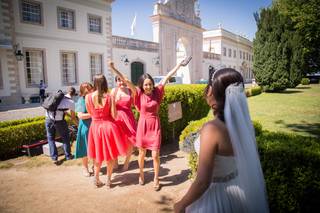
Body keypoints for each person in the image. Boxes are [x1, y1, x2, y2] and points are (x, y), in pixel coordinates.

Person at [174, 68, 269, 213]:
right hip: (238, 191)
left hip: (214, 197)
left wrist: (181, 204)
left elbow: (202, 182)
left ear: (212, 91)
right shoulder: (244, 125)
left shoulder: (211, 129)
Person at [108, 57, 191, 191]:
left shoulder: (158, 92)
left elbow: (168, 76)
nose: (148, 86)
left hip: (155, 126)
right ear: (142, 85)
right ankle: (141, 174)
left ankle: (156, 178)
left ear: (153, 84)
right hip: (143, 125)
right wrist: (113, 69)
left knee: (155, 155)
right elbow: (127, 81)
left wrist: (178, 65)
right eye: (146, 84)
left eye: (150, 84)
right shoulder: (138, 93)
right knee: (141, 154)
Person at [86, 74, 128, 188]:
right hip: (108, 127)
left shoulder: (88, 97)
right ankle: (109, 181)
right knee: (110, 155)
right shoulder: (109, 97)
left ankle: (96, 179)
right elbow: (114, 115)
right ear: (105, 83)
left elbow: (90, 113)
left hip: (95, 128)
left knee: (97, 154)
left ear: (94, 83)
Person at [45, 86, 78, 164]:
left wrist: (68, 115)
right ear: (73, 95)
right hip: (59, 121)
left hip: (48, 119)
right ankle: (68, 155)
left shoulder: (58, 97)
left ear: (67, 92)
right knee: (65, 137)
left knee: (50, 138)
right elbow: (73, 118)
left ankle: (54, 158)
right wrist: (78, 125)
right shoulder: (71, 102)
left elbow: (61, 110)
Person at [111, 76, 137, 172]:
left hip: (128, 118)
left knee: (130, 140)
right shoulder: (114, 91)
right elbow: (109, 106)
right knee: (115, 140)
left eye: (123, 81)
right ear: (116, 81)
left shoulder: (130, 90)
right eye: (119, 81)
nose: (121, 83)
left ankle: (127, 163)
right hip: (117, 118)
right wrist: (115, 102)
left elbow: (135, 104)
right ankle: (115, 162)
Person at [74, 82, 94, 177]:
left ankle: (95, 166)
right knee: (84, 149)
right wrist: (94, 114)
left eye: (90, 89)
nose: (89, 92)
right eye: (87, 91)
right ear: (82, 92)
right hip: (85, 127)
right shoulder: (81, 100)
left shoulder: (94, 99)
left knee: (95, 148)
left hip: (94, 127)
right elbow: (80, 115)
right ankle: (85, 168)